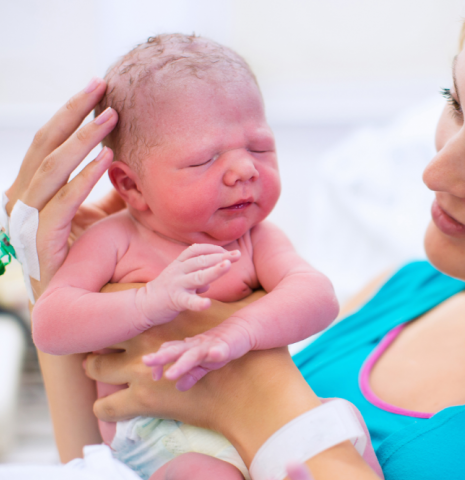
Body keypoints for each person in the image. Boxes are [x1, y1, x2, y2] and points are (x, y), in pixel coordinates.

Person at [2, 0, 465, 478]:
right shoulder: (399, 292)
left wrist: (263, 402)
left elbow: (252, 402)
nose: (435, 169)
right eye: (455, 103)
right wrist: (61, 272)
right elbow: (105, 460)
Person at [29, 34, 347, 480]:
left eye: (259, 148)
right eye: (206, 159)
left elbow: (317, 296)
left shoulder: (256, 239)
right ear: (131, 186)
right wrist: (146, 303)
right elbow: (50, 324)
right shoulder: (114, 239)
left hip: (257, 419)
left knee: (340, 421)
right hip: (160, 438)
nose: (245, 169)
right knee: (203, 473)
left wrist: (238, 332)